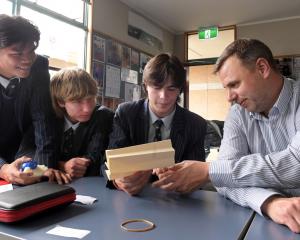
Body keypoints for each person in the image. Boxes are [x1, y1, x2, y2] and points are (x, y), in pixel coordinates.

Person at [153, 39, 300, 233]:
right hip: (269, 223)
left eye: (234, 84)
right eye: (226, 88)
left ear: (262, 68)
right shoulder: (237, 113)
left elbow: (295, 163)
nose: (229, 97)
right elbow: (225, 183)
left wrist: (210, 171)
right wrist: (269, 203)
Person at [105, 53, 207, 195]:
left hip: (176, 202)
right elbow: (110, 160)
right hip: (130, 200)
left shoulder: (196, 125)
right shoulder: (126, 114)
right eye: (157, 87)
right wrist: (118, 180)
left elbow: (196, 177)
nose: (163, 96)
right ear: (145, 86)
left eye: (171, 89)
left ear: (180, 90)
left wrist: (174, 175)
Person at [0, 14, 69, 185]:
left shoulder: (38, 66)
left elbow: (43, 122)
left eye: (32, 50)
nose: (28, 59)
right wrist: (3, 168)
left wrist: (45, 169)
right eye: (17, 53)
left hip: (24, 154)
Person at [50, 68, 114, 179]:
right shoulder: (47, 119)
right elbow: (30, 153)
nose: (87, 109)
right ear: (60, 101)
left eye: (91, 99)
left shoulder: (103, 116)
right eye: (78, 101)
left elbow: (94, 160)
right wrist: (62, 165)